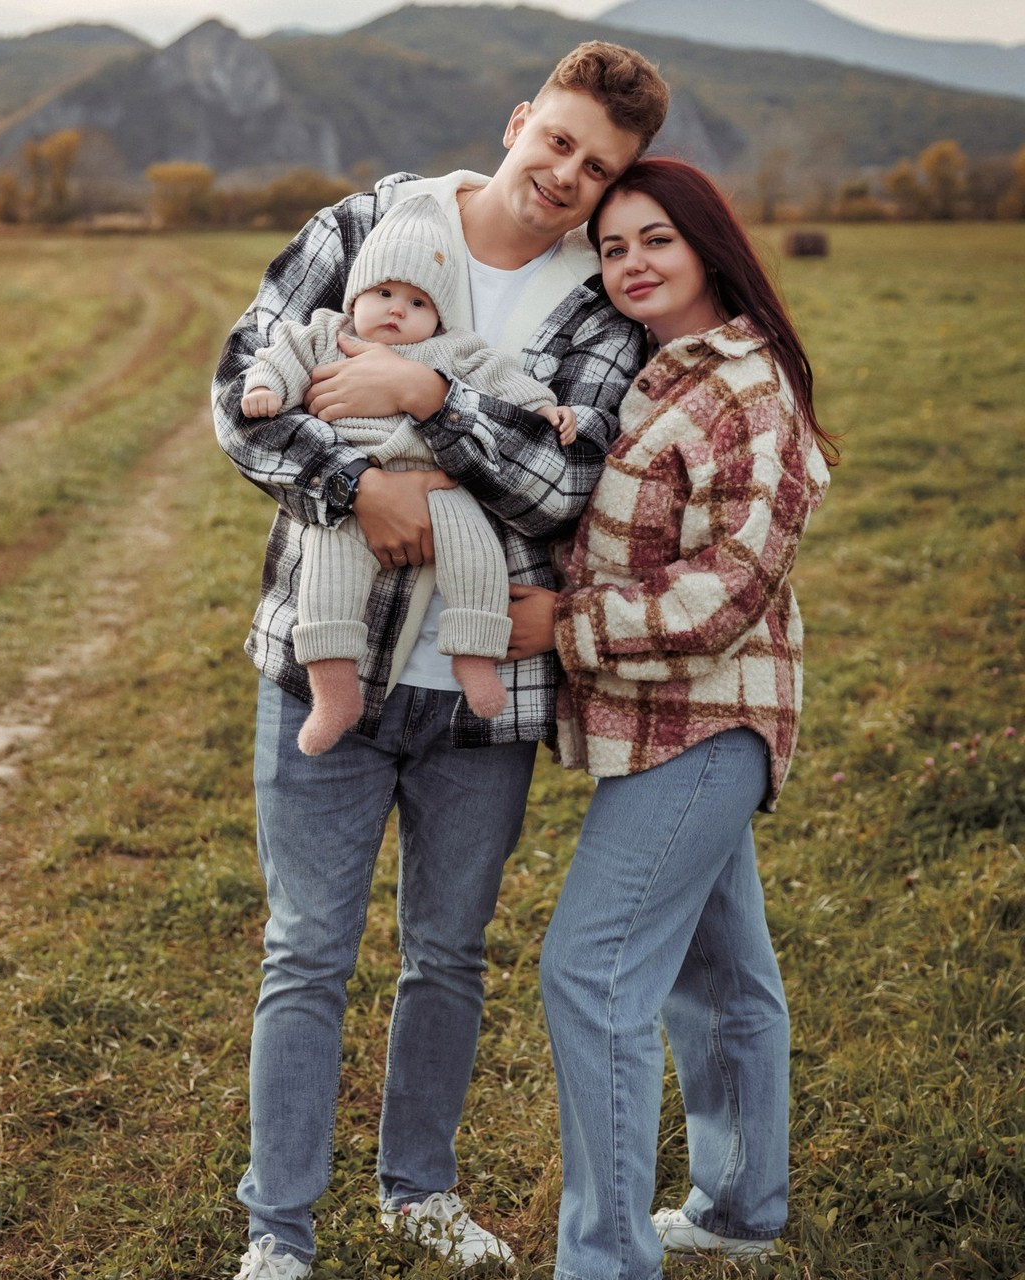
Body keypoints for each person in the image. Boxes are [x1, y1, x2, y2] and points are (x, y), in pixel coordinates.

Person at [211, 41, 669, 1280]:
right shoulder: (369, 222)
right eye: (557, 140)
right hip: (326, 659)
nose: (567, 174)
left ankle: (418, 1189)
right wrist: (356, 485)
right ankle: (278, 1229)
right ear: (520, 117)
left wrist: (421, 389)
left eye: (599, 165)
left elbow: (561, 483)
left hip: (487, 690)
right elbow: (238, 390)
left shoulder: (597, 299)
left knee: (447, 952)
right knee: (304, 948)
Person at [505, 157, 838, 1280]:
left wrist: (563, 624)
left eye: (654, 239)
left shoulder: (743, 382)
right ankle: (740, 1206)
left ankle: (604, 1258)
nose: (631, 263)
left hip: (707, 721)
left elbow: (728, 590)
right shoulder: (651, 372)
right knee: (717, 970)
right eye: (610, 248)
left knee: (588, 969)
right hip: (659, 718)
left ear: (705, 244)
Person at [241, 193, 578, 754]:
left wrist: (545, 406)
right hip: (351, 491)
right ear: (357, 296)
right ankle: (334, 689)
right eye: (383, 293)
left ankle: (475, 659)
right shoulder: (327, 334)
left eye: (417, 302)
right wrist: (265, 388)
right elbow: (279, 355)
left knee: (477, 553)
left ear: (437, 315)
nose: (397, 309)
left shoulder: (449, 351)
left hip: (443, 480)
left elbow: (502, 379)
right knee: (326, 572)